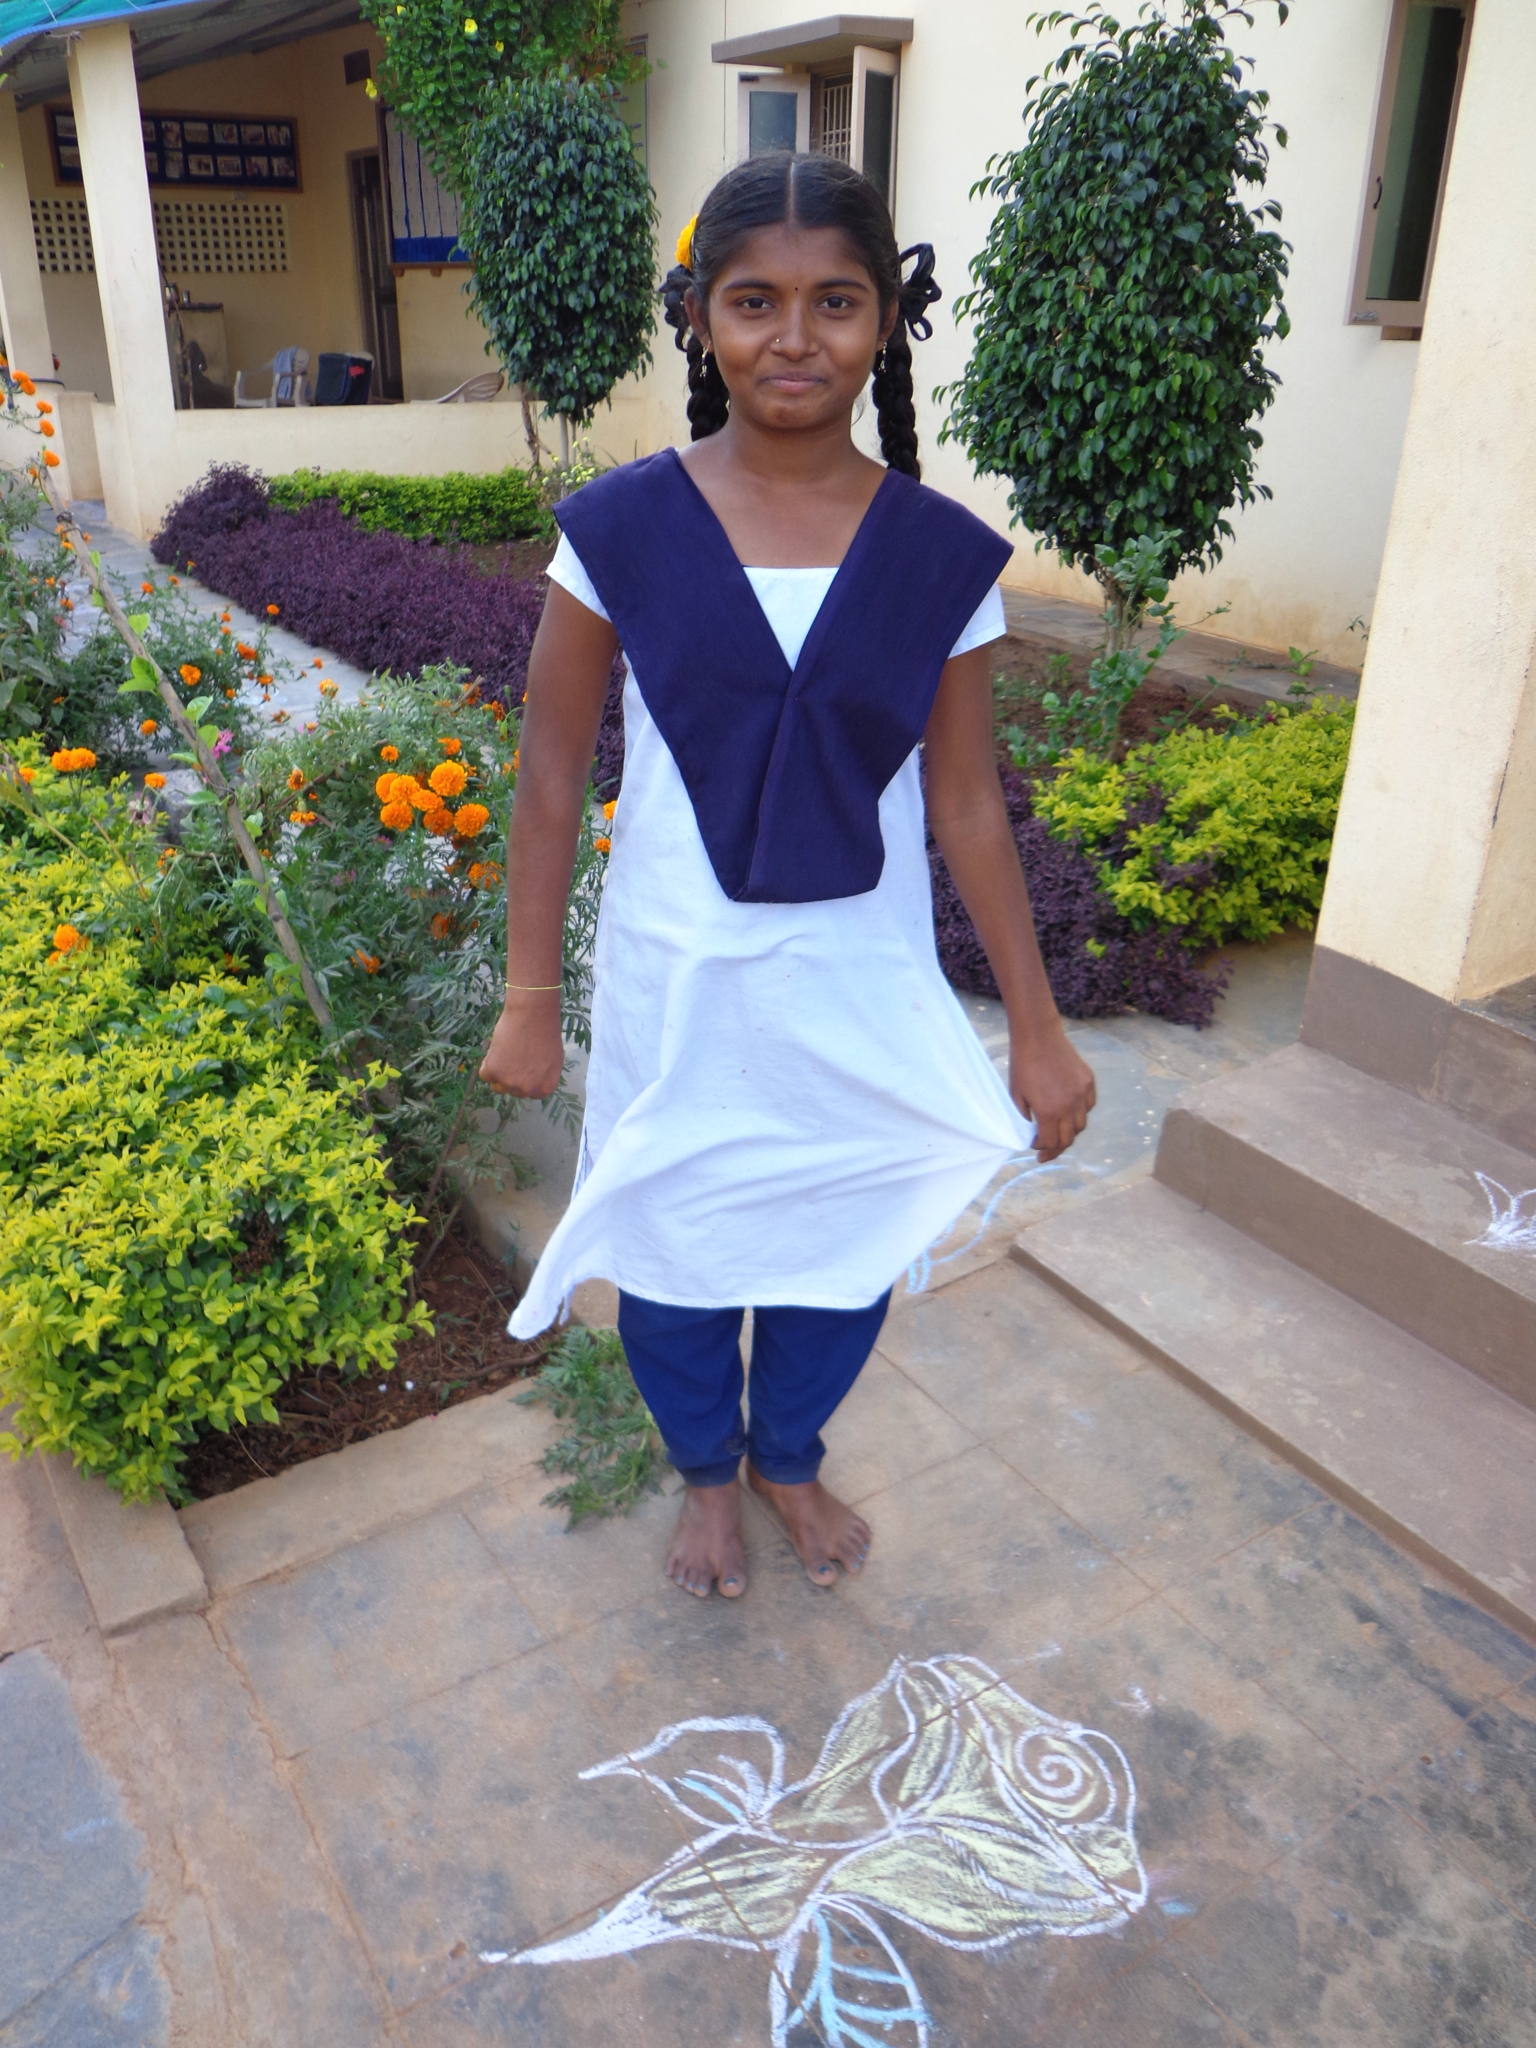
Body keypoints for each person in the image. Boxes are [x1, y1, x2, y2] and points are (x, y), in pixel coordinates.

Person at [479, 151, 1095, 1602]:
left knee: (844, 1228)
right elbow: (551, 774)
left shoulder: (937, 558)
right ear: (699, 317)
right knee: (675, 1243)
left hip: (854, 982)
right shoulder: (620, 534)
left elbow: (967, 803)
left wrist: (1038, 1025)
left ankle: (789, 1456)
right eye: (755, 301)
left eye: (837, 301)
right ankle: (707, 1472)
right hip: (679, 979)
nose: (795, 337)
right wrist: (528, 996)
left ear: (888, 320)